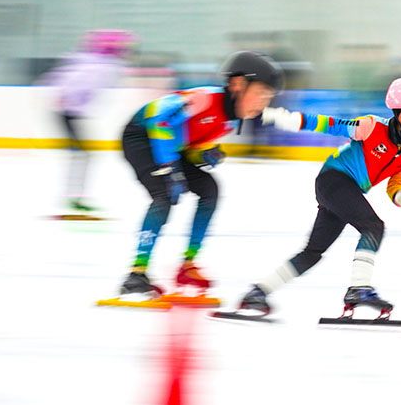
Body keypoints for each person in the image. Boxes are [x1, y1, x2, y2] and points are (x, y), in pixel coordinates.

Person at [229, 75, 401, 319]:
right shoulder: (371, 127)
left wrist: (399, 195)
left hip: (347, 190)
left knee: (312, 252)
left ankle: (259, 292)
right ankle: (359, 289)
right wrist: (287, 118)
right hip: (334, 180)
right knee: (373, 226)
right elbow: (329, 124)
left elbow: (397, 182)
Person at [118, 51, 282, 297]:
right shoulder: (204, 99)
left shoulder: (230, 120)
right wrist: (170, 169)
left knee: (209, 190)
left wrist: (202, 155)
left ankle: (188, 265)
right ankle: (136, 274)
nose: (263, 103)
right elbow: (159, 122)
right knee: (164, 195)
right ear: (238, 84)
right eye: (260, 94)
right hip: (141, 136)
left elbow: (187, 143)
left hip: (169, 147)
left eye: (268, 98)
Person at [43, 30, 138, 212]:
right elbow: (74, 83)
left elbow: (65, 79)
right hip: (68, 112)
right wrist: (71, 100)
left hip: (68, 112)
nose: (127, 51)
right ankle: (73, 197)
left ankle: (74, 196)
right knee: (82, 155)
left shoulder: (95, 62)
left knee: (82, 155)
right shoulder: (99, 66)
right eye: (124, 47)